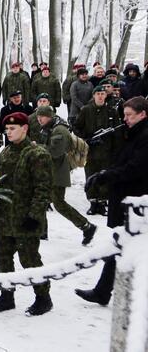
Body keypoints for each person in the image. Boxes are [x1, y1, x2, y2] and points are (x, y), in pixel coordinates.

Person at [76, 97, 148, 306]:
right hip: (126, 198)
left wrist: (105, 175)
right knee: (120, 244)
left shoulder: (144, 136)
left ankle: (108, 291)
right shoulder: (131, 132)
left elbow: (135, 168)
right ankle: (103, 290)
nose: (124, 119)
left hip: (135, 201)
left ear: (142, 114)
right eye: (124, 115)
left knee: (123, 245)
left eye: (129, 115)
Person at [0, 112, 54, 316]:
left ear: (25, 128)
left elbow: (43, 189)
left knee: (30, 260)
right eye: (6, 129)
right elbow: (0, 183)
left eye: (13, 129)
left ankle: (43, 298)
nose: (9, 132)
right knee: (3, 258)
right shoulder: (5, 153)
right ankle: (6, 296)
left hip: (25, 218)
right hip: (5, 217)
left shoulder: (37, 154)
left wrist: (35, 216)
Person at [36, 106, 97, 244]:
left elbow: (55, 152)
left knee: (59, 204)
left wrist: (37, 147)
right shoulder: (50, 127)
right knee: (41, 200)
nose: (39, 119)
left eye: (43, 116)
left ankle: (87, 227)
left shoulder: (60, 130)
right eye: (38, 116)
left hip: (57, 172)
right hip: (49, 171)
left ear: (50, 116)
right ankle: (41, 232)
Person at [74, 85, 123, 216]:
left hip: (107, 152)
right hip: (90, 151)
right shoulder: (86, 110)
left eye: (102, 94)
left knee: (105, 176)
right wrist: (86, 140)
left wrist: (117, 151)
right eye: (98, 94)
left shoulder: (112, 111)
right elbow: (77, 128)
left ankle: (102, 203)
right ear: (94, 95)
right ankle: (93, 202)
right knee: (91, 175)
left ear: (106, 95)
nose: (100, 96)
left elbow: (118, 132)